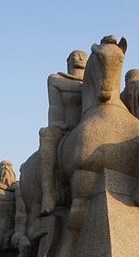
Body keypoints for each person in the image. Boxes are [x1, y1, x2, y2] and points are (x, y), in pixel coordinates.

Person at [39, 49, 87, 215]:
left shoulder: (94, 80)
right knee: (47, 136)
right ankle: (48, 194)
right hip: (64, 126)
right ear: (68, 61)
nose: (80, 57)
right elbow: (55, 106)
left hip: (87, 124)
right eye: (75, 55)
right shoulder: (56, 80)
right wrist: (57, 123)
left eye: (83, 55)